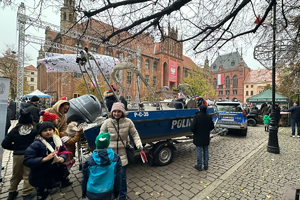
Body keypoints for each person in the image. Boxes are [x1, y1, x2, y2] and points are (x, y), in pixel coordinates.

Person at [100, 102, 143, 200]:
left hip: (123, 154)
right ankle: (113, 193)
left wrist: (138, 143)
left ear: (122, 112)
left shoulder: (128, 122)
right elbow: (101, 135)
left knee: (122, 177)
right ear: (112, 112)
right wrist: (102, 144)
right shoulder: (107, 122)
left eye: (119, 111)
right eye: (114, 111)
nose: (116, 113)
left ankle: (122, 196)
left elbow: (135, 133)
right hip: (110, 154)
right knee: (111, 176)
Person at [23, 121, 71, 200]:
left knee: (50, 188)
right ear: (40, 133)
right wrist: (44, 159)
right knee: (42, 194)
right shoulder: (36, 144)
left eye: (50, 129)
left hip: (52, 173)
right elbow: (27, 161)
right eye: (45, 131)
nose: (48, 132)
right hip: (40, 174)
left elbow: (64, 150)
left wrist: (63, 157)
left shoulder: (57, 140)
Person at [2, 110, 37, 200]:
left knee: (16, 174)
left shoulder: (14, 130)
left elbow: (5, 144)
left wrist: (15, 148)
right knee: (27, 174)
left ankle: (12, 191)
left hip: (17, 155)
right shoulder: (34, 130)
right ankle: (26, 193)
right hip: (29, 154)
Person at [82, 132, 122, 200]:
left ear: (96, 144)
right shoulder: (116, 158)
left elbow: (85, 178)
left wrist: (84, 191)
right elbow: (118, 177)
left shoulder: (89, 160)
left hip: (92, 192)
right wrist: (117, 191)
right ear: (108, 143)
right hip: (108, 190)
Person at [190, 105, 214, 171]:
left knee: (199, 151)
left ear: (199, 109)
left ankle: (199, 166)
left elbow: (192, 127)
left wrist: (195, 132)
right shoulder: (209, 117)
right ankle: (206, 165)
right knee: (206, 151)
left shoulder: (196, 117)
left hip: (198, 136)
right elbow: (212, 126)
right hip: (206, 136)